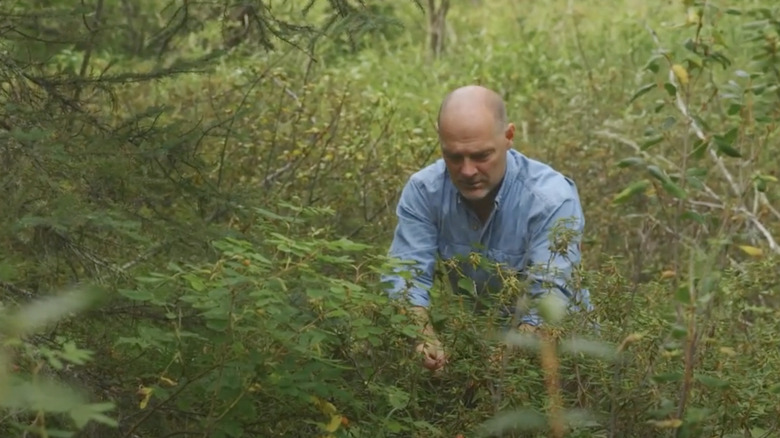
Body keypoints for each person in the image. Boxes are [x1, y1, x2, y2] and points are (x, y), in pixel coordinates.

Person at [381, 85, 593, 372]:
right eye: (454, 157)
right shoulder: (424, 191)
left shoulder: (550, 200)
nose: (468, 171)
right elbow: (405, 279)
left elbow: (550, 300)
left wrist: (498, 369)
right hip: (478, 346)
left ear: (508, 137)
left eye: (481, 156)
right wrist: (423, 339)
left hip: (568, 358)